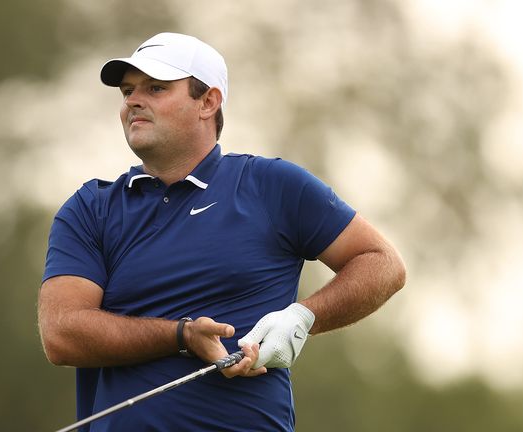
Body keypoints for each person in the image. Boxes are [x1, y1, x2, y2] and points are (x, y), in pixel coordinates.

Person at [38, 32, 406, 431]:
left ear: (208, 102)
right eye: (127, 91)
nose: (132, 101)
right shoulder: (91, 208)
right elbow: (62, 334)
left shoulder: (270, 186)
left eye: (156, 88)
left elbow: (382, 262)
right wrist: (182, 335)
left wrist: (302, 317)